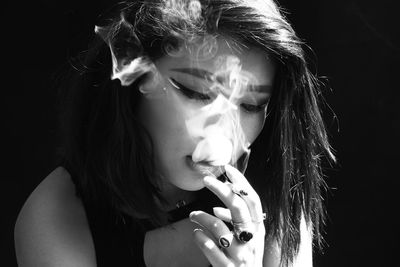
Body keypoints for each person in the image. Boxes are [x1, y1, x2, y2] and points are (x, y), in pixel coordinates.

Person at [14, 0, 335, 266]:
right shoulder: (57, 216)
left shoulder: (273, 199)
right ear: (134, 79)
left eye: (251, 105)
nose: (223, 128)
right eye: (195, 92)